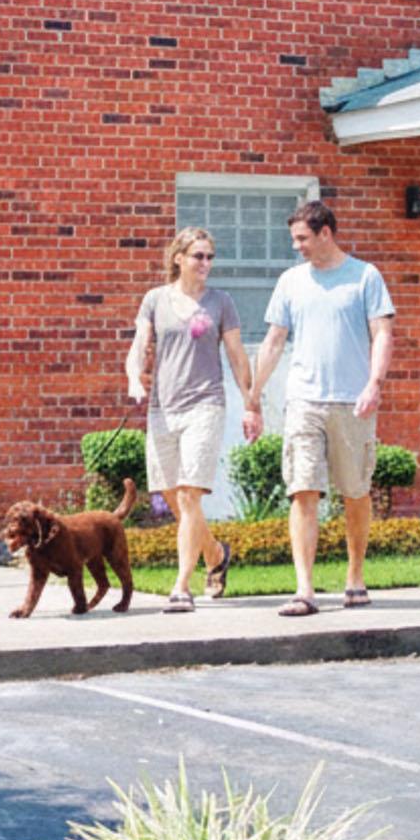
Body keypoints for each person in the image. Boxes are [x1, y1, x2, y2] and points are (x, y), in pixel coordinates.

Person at [245, 200, 395, 618]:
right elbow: (274, 341)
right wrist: (254, 397)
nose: (297, 247)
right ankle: (305, 590)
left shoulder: (365, 276)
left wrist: (374, 383)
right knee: (302, 490)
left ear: (325, 233)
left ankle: (355, 576)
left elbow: (382, 333)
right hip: (304, 401)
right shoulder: (291, 282)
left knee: (355, 492)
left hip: (353, 401)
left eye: (302, 238)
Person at [127, 227, 251, 612]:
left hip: (205, 405)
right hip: (163, 408)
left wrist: (251, 402)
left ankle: (182, 586)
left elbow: (236, 355)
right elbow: (138, 346)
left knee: (188, 494)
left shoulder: (221, 302)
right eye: (199, 256)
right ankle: (215, 554)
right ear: (178, 258)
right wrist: (134, 377)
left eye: (210, 257)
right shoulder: (155, 300)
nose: (206, 264)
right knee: (170, 494)